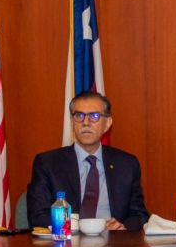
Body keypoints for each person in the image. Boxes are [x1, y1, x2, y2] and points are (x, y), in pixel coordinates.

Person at [27, 91, 149, 231]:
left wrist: (123, 227)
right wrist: (81, 227)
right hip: (67, 244)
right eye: (79, 116)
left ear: (107, 124)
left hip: (113, 245)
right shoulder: (48, 163)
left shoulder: (127, 164)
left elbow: (140, 215)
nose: (86, 122)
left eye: (94, 116)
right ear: (72, 122)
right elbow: (37, 216)